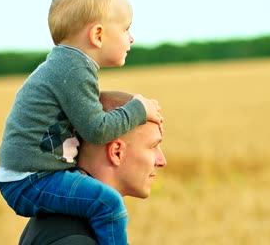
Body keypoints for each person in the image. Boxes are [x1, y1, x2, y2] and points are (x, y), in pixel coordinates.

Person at [0, 0, 163, 245]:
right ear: (97, 35)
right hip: (31, 179)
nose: (131, 37)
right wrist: (138, 109)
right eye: (126, 28)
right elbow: (98, 130)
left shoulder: (67, 65)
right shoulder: (74, 70)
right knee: (107, 204)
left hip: (29, 176)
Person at [18, 91, 167, 244]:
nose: (162, 161)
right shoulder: (76, 240)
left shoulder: (54, 221)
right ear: (116, 152)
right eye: (153, 146)